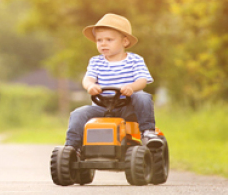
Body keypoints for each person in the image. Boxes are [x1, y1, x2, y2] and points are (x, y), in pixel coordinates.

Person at [64, 13, 159, 150]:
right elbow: (88, 78)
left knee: (143, 96)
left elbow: (142, 80)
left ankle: (148, 132)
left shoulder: (135, 60)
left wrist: (131, 87)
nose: (103, 43)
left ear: (124, 42)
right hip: (102, 107)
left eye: (109, 39)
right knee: (78, 113)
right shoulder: (96, 61)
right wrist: (90, 86)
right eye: (99, 40)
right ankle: (72, 146)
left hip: (128, 107)